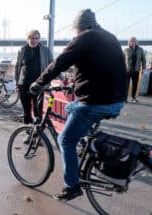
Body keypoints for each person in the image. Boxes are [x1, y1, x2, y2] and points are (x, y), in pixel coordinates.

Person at [30, 9, 126, 200]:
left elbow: (59, 63)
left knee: (65, 140)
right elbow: (100, 69)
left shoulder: (85, 38)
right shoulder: (110, 37)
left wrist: (38, 83)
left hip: (97, 102)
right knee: (69, 107)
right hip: (116, 100)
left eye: (74, 29)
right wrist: (76, 85)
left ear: (79, 28)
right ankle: (84, 143)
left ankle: (71, 186)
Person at [14, 29, 53, 136]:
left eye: (36, 38)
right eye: (32, 38)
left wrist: (62, 79)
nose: (34, 40)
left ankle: (37, 135)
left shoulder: (45, 50)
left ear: (39, 39)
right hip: (24, 85)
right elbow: (17, 66)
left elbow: (53, 65)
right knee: (27, 111)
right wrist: (16, 82)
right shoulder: (22, 50)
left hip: (38, 85)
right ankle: (28, 133)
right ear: (28, 39)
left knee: (38, 111)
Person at [124, 37, 146, 103]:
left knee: (135, 85)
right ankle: (125, 98)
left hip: (136, 70)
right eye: (131, 41)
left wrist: (144, 68)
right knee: (126, 85)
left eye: (133, 41)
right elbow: (122, 60)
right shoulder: (126, 50)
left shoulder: (140, 49)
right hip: (127, 70)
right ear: (129, 42)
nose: (132, 42)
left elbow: (143, 60)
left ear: (136, 42)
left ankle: (133, 98)